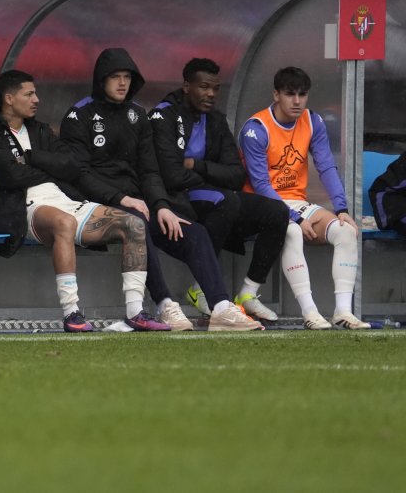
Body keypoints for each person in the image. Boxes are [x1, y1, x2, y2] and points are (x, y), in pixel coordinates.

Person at [60, 48, 262, 331]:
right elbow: (79, 174)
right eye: (115, 77)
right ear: (101, 79)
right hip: (98, 203)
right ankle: (165, 305)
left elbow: (149, 170)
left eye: (127, 77)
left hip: (139, 202)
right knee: (137, 224)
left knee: (194, 232)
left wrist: (162, 206)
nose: (123, 83)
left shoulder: (137, 114)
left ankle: (221, 307)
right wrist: (121, 198)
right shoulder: (79, 115)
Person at [0, 70, 169, 333]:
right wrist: (49, 168)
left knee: (133, 224)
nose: (36, 99)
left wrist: (31, 158)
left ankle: (135, 312)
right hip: (22, 207)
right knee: (64, 223)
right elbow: (11, 176)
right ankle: (71, 312)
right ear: (9, 98)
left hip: (64, 200)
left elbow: (70, 165)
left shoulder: (41, 130)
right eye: (29, 94)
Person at [147, 58, 291, 322]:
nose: (211, 94)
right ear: (186, 86)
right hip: (176, 197)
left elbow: (236, 174)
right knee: (227, 200)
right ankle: (203, 287)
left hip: (210, 192)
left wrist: (197, 165)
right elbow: (170, 174)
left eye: (215, 88)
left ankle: (248, 293)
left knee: (277, 211)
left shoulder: (215, 119)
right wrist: (208, 174)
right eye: (204, 87)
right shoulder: (163, 116)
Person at [240, 67, 371, 329]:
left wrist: (342, 208)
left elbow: (326, 166)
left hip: (296, 202)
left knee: (346, 231)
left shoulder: (313, 121)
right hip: (260, 204)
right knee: (292, 231)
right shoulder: (256, 128)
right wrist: (295, 218)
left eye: (302, 94)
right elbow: (261, 184)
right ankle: (310, 312)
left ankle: (343, 312)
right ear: (276, 94)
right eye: (290, 94)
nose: (297, 101)